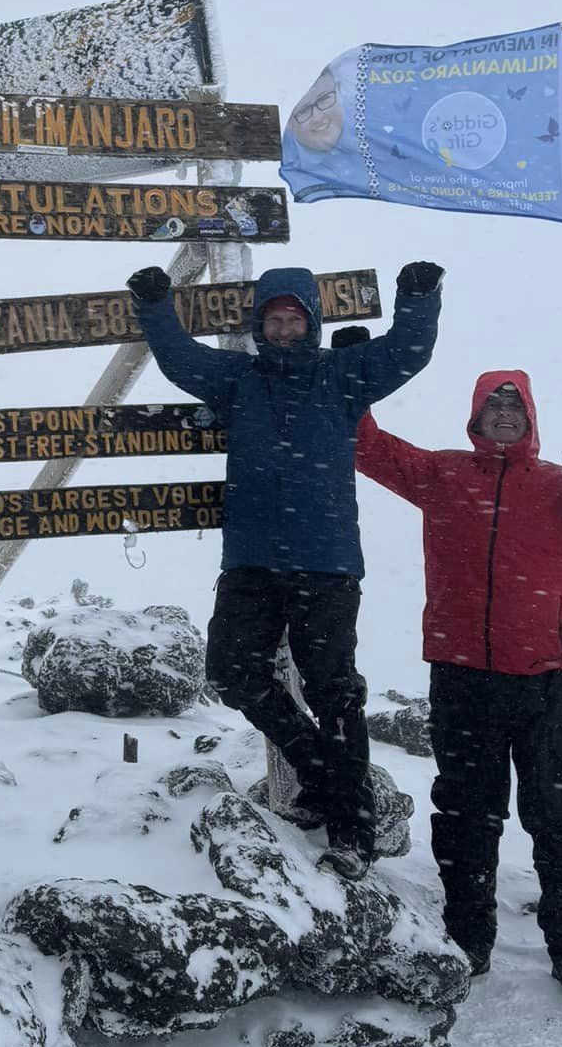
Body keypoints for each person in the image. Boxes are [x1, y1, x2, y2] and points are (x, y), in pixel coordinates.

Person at [127, 261, 443, 881]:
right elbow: (179, 359)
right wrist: (155, 306)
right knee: (232, 672)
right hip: (251, 561)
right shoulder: (238, 379)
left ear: (312, 323)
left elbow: (408, 351)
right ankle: (323, 771)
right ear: (257, 325)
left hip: (325, 565)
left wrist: (418, 297)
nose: (282, 328)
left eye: (293, 319)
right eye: (272, 319)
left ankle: (351, 830)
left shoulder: (342, 374)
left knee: (334, 692)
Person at [355, 374, 562, 1013]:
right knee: (464, 815)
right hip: (463, 677)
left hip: (549, 680)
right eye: (492, 404)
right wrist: (360, 381)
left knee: (560, 820)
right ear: (475, 417)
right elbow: (365, 445)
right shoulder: (443, 474)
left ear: (530, 417)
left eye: (514, 405)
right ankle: (466, 941)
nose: (503, 413)